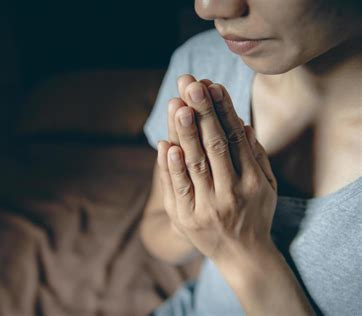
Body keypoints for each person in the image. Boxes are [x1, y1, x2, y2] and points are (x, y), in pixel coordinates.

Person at [139, 0, 362, 315]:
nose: (207, 7)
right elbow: (155, 228)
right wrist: (199, 219)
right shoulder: (205, 61)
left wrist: (240, 249)